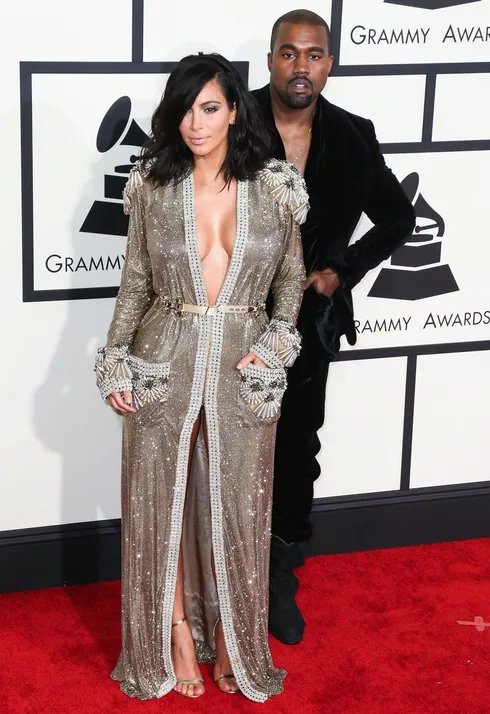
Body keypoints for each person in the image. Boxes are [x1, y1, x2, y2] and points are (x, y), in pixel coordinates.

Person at [95, 53, 308, 702]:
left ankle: (236, 640)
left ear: (235, 109)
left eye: (209, 107)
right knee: (158, 509)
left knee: (241, 512)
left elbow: (290, 280)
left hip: (243, 368)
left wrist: (273, 347)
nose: (195, 122)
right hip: (165, 357)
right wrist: (114, 361)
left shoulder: (273, 185)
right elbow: (135, 285)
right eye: (185, 108)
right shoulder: (154, 187)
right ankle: (177, 635)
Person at [252, 10, 416, 645]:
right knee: (223, 446)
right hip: (229, 319)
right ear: (270, 60)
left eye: (314, 55)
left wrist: (338, 272)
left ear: (329, 63)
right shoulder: (232, 123)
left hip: (309, 328)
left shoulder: (352, 135)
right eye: (289, 54)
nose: (301, 67)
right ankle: (215, 574)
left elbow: (396, 219)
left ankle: (279, 574)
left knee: (295, 451)